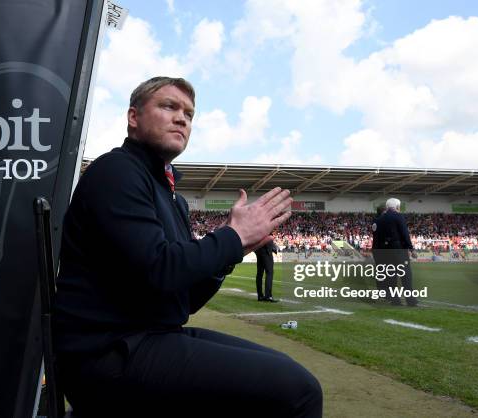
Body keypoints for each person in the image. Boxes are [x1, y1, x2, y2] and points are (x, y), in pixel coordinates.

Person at [54, 76, 323, 417]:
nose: (182, 118)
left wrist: (230, 254)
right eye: (169, 106)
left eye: (189, 114)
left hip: (150, 337)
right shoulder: (116, 172)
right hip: (106, 354)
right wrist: (232, 237)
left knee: (287, 371)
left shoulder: (172, 197)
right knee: (299, 391)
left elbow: (186, 299)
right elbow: (159, 269)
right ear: (133, 117)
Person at [374, 198, 417, 306]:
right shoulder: (398, 216)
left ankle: (395, 300)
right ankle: (411, 301)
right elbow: (404, 234)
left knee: (391, 277)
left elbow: (377, 238)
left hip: (385, 252)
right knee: (406, 276)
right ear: (397, 207)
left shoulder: (379, 219)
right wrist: (411, 249)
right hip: (399, 250)